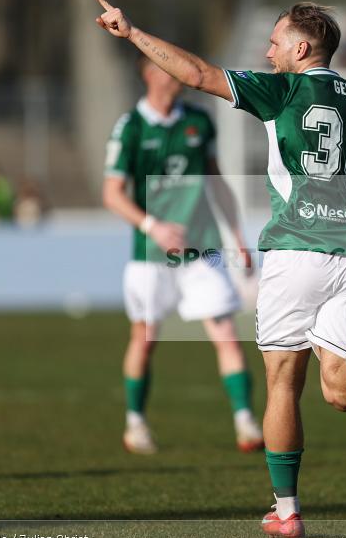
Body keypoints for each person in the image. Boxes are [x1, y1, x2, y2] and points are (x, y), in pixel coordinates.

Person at [95, 0, 346, 538]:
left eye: (274, 42)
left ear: (301, 46)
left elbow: (196, 74)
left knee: (284, 385)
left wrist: (132, 34)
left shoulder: (283, 89)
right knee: (339, 388)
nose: (267, 52)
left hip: (298, 254)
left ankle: (287, 512)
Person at [102, 55, 264, 455]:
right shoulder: (131, 127)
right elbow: (111, 194)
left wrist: (238, 236)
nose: (177, 75)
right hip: (149, 255)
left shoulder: (199, 121)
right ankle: (135, 423)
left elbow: (217, 181)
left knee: (225, 333)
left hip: (201, 250)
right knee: (146, 337)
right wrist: (152, 227)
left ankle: (246, 421)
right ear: (149, 74)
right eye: (167, 68)